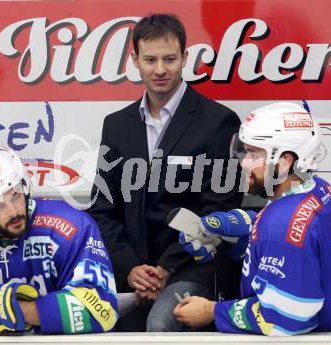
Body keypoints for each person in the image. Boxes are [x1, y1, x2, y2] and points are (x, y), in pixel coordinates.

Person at [88, 13, 243, 331]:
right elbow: (103, 210)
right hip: (132, 273)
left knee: (160, 324)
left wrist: (164, 269)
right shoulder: (116, 126)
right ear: (135, 60)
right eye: (150, 59)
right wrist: (132, 269)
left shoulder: (219, 121)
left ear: (185, 57)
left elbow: (219, 210)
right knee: (87, 320)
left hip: (192, 268)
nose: (160, 69)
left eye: (170, 59)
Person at [174, 102, 331, 335]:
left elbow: (286, 318)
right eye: (244, 151)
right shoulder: (324, 192)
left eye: (254, 154)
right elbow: (304, 253)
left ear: (284, 161)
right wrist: (234, 240)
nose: (243, 162)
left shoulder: (281, 224)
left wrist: (211, 311)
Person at [0, 141, 118, 334]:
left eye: (15, 195)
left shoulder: (71, 226)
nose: (13, 212)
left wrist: (20, 311)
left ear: (25, 185)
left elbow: (104, 311)